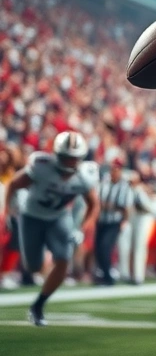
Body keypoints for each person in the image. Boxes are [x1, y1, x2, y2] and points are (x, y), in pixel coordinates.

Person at [2, 131, 99, 326]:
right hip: (32, 216)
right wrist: (8, 211)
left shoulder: (85, 175)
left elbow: (93, 204)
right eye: (66, 157)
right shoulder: (41, 166)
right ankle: (41, 252)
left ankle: (38, 305)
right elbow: (13, 184)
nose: (70, 163)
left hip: (59, 217)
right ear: (57, 154)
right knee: (34, 266)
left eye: (74, 158)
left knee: (64, 260)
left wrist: (83, 226)